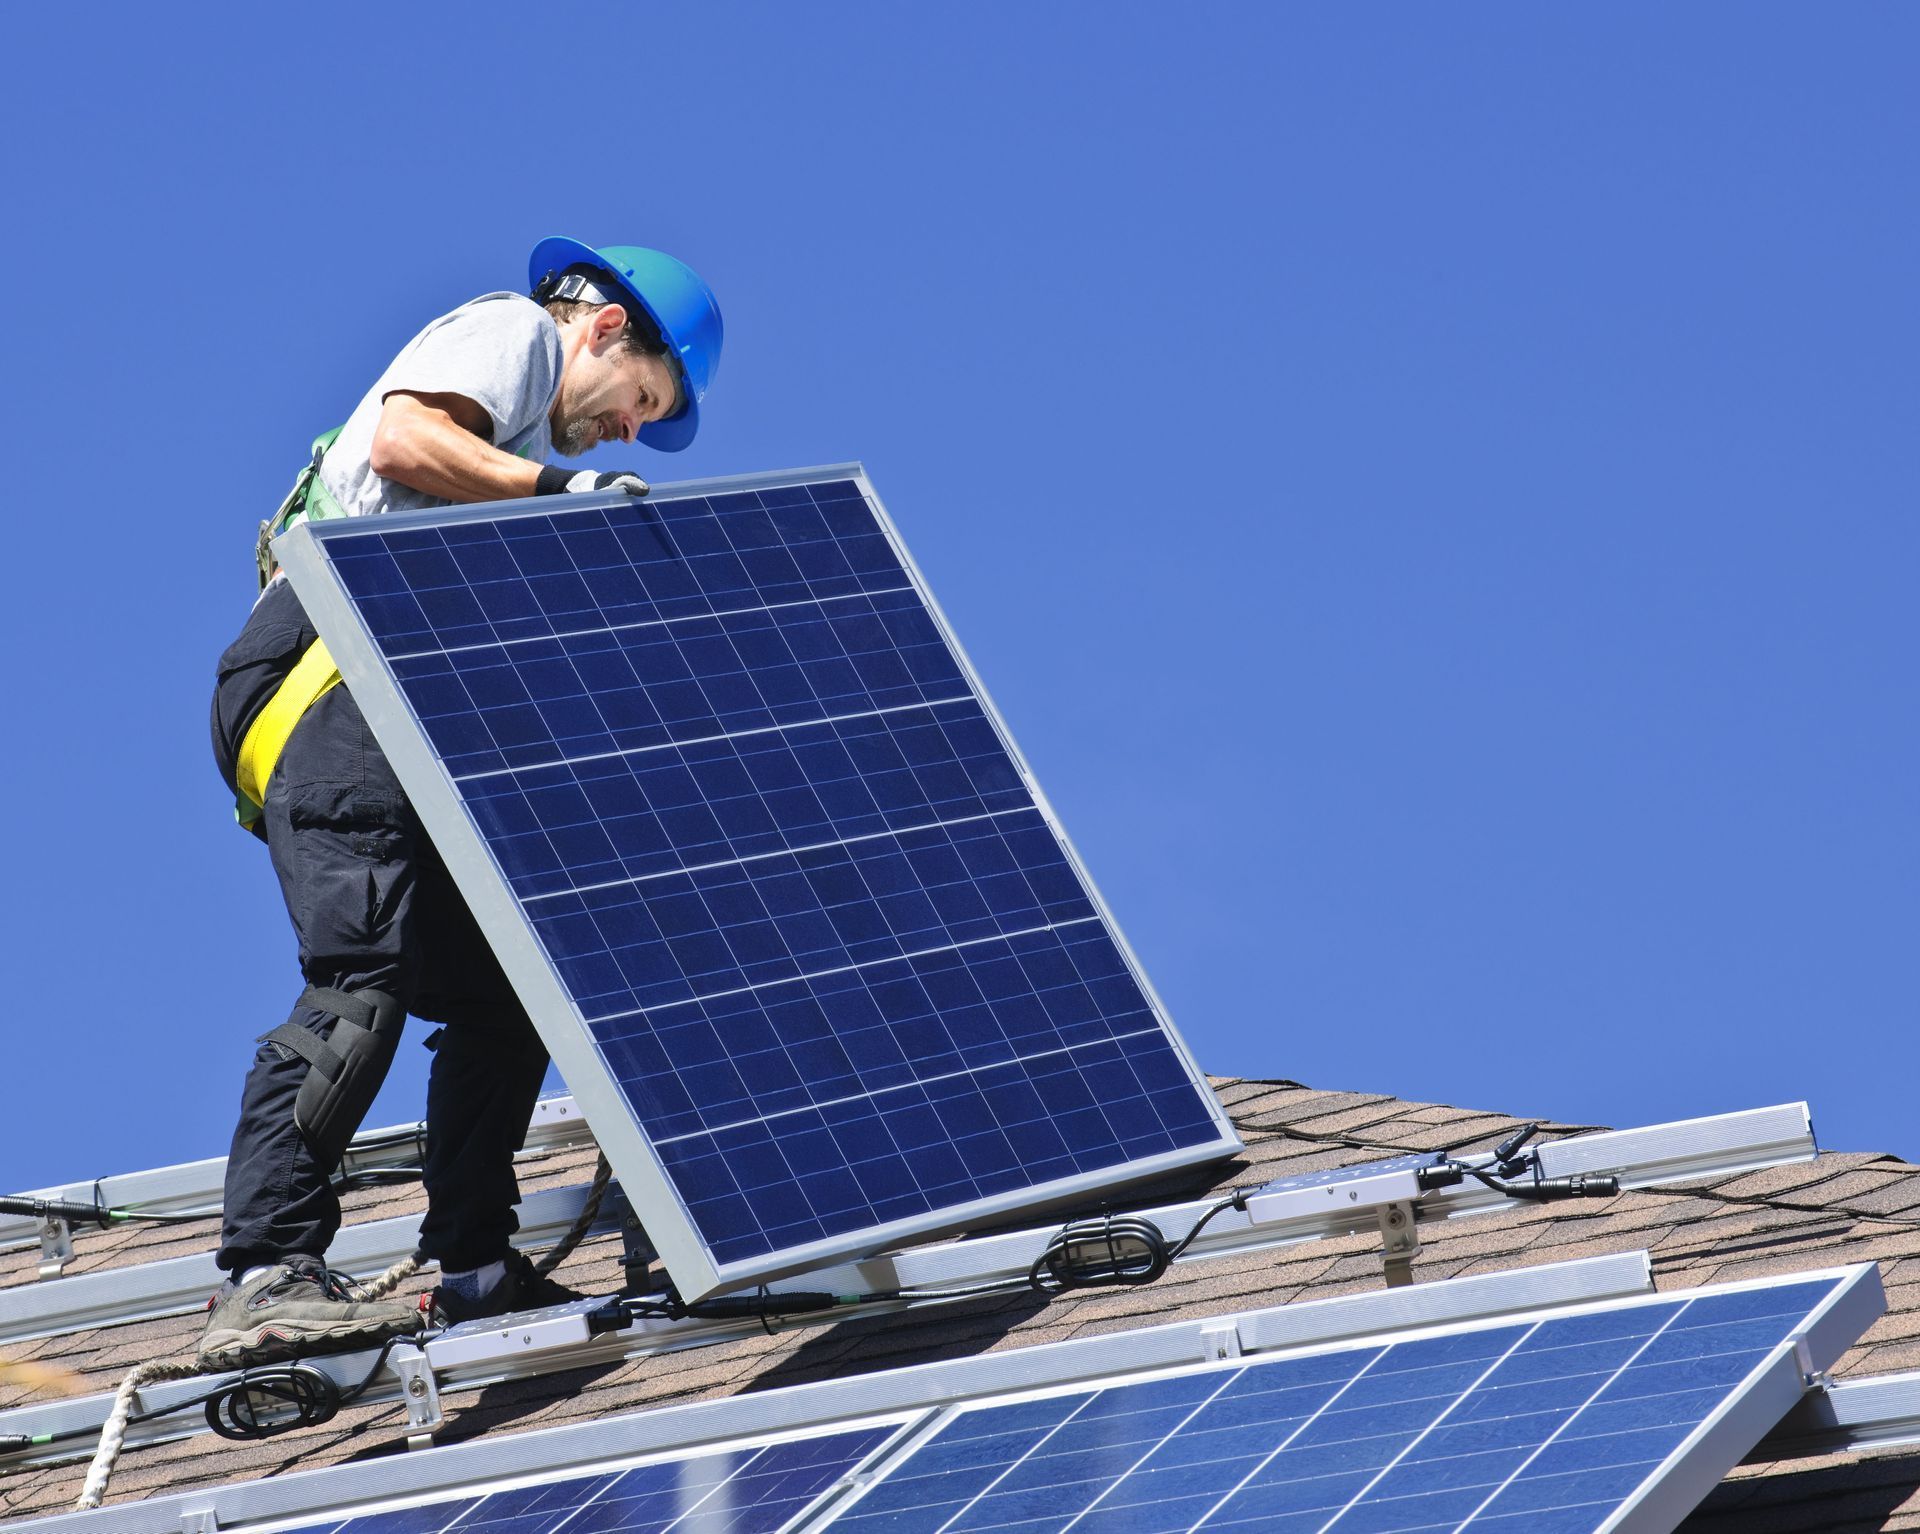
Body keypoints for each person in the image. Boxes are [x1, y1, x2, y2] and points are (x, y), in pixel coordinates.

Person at [200, 238, 723, 1369]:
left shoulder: (530, 436)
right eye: (644, 400)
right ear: (601, 329)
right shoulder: (518, 336)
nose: (633, 430)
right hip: (329, 680)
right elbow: (401, 438)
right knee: (363, 972)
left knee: (508, 990)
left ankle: (476, 1267)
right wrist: (559, 487)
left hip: (394, 712)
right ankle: (265, 1274)